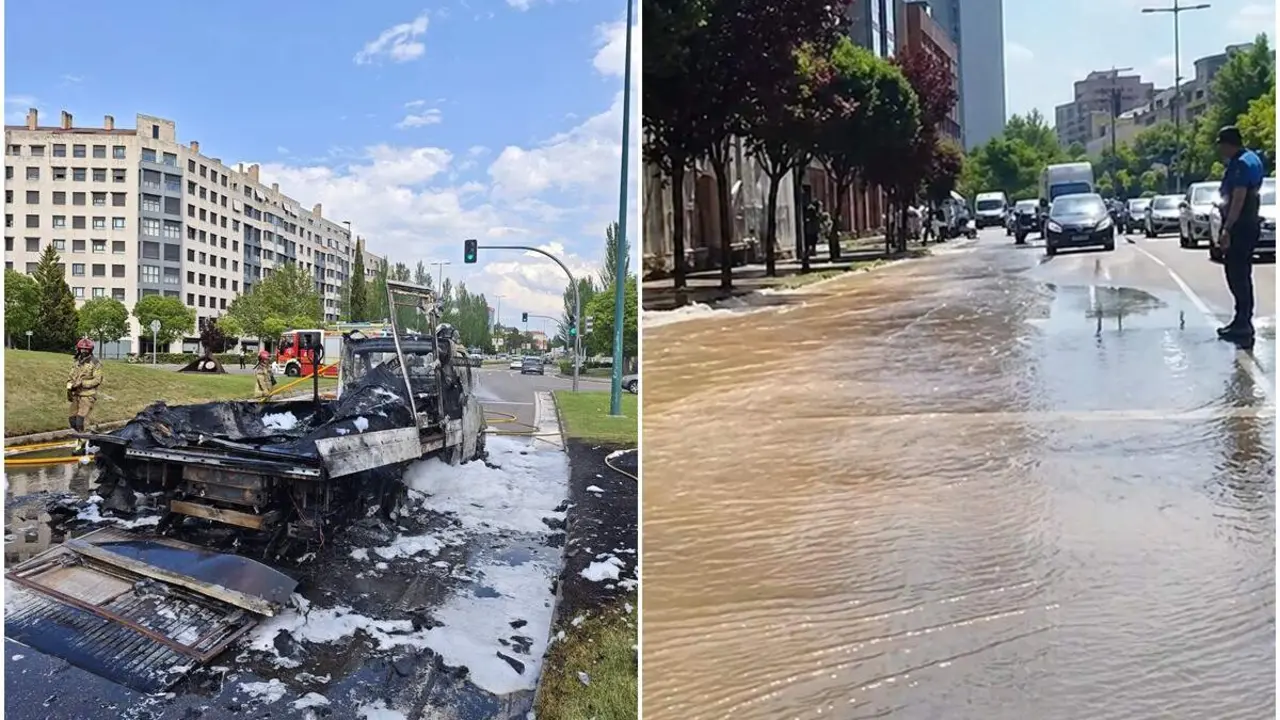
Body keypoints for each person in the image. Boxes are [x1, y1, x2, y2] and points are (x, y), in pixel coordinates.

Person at [1214, 125, 1265, 342]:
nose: (1220, 150)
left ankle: (1243, 321)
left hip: (1241, 225)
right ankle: (1242, 318)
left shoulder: (1240, 164)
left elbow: (1238, 197)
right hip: (1249, 223)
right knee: (1242, 272)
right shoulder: (1252, 158)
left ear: (1228, 144)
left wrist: (1227, 228)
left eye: (1221, 145)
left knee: (1236, 273)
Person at [67, 338, 103, 455]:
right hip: (76, 395)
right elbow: (71, 376)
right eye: (82, 349)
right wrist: (70, 384)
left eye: (86, 349)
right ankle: (89, 435)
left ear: (90, 350)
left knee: (80, 421)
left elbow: (97, 380)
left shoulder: (95, 363)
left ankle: (82, 444)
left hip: (88, 395)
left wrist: (83, 383)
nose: (83, 351)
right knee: (72, 420)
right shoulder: (77, 362)